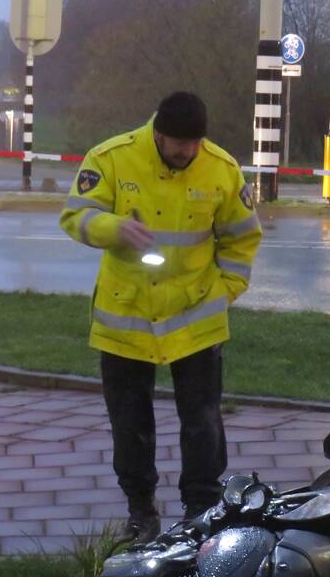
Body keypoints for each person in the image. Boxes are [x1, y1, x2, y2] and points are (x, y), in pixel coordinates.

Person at [60, 91, 262, 543]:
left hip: (196, 318)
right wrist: (113, 228)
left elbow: (243, 237)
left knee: (203, 420)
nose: (188, 153)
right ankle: (141, 510)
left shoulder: (222, 169)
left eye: (195, 144)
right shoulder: (111, 158)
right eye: (178, 145)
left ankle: (202, 510)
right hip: (125, 318)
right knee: (129, 422)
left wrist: (226, 291)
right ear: (158, 132)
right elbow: (75, 215)